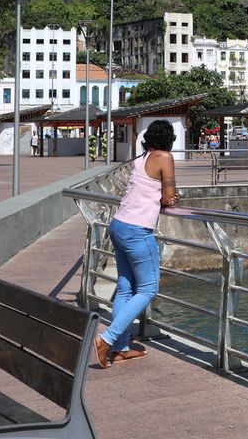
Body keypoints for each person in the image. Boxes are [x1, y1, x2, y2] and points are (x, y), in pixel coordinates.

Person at [95, 120, 179, 368]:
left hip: (119, 224)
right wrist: (172, 199)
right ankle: (107, 339)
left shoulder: (142, 158)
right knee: (148, 289)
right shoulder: (164, 157)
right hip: (137, 229)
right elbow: (168, 197)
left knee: (125, 288)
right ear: (169, 139)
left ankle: (120, 348)